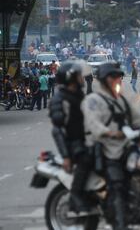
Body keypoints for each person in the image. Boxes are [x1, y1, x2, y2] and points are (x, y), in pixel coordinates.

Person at [81, 62, 140, 230]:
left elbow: (138, 118)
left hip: (123, 148)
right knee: (117, 186)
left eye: (119, 77)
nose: (118, 80)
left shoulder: (120, 100)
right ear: (104, 80)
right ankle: (120, 224)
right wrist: (109, 133)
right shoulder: (93, 100)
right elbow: (93, 123)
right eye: (114, 77)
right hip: (104, 150)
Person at [49, 61, 93, 213]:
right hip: (73, 144)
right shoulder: (60, 99)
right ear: (71, 78)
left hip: (85, 139)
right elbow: (57, 130)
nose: (83, 78)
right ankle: (75, 195)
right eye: (79, 76)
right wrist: (66, 156)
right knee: (86, 159)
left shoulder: (78, 96)